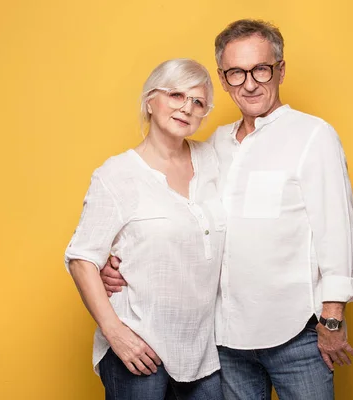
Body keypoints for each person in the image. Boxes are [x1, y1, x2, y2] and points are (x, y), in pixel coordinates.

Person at [101, 19, 353, 400]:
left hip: (294, 334)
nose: (249, 83)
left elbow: (338, 232)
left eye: (260, 69)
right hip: (224, 340)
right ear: (223, 79)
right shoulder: (213, 146)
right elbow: (182, 217)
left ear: (280, 69)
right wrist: (120, 260)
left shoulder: (313, 135)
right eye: (236, 73)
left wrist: (332, 317)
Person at [64, 58, 226, 400]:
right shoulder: (117, 175)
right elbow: (82, 259)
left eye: (198, 102)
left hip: (203, 352)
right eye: (176, 95)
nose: (186, 108)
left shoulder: (213, 160)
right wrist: (115, 333)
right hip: (139, 348)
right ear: (150, 100)